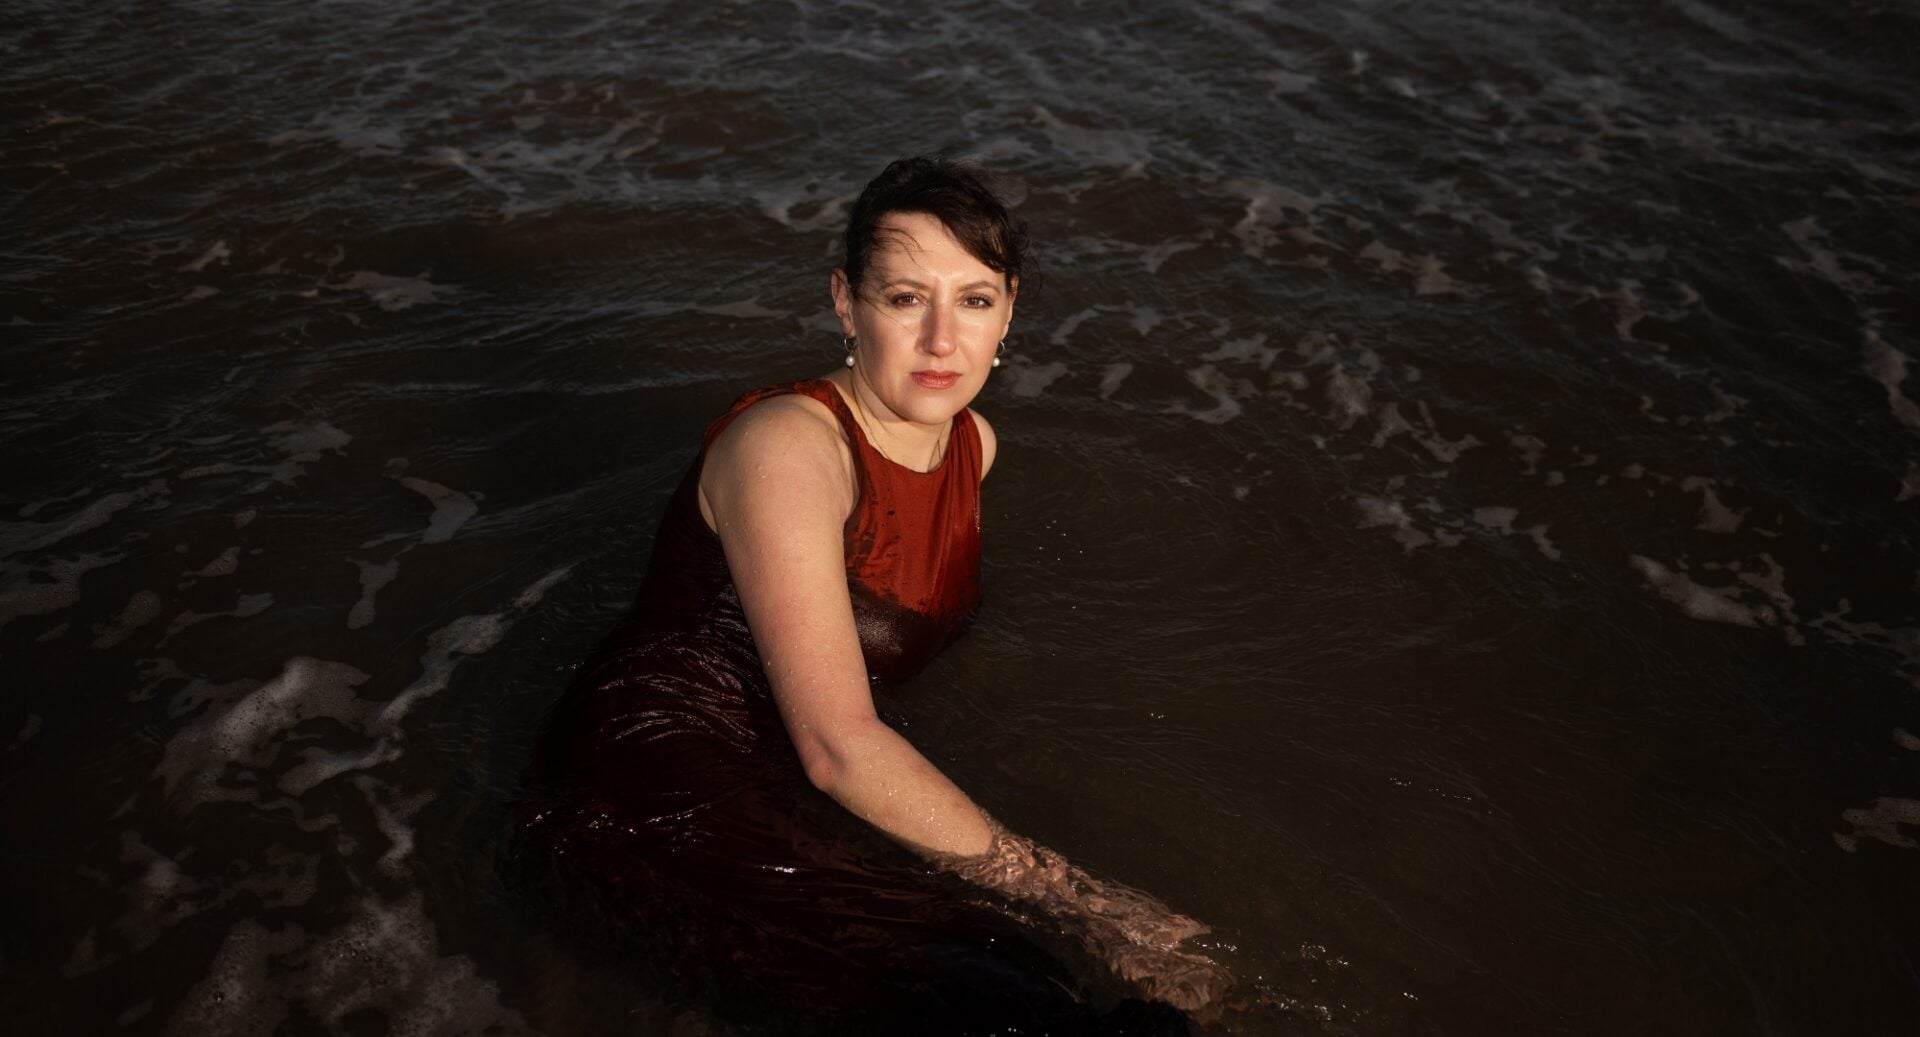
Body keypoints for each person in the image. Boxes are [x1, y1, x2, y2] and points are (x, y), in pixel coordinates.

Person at [519, 157, 1229, 1031]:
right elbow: (839, 745)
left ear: (1009, 311)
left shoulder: (975, 445)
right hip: (638, 790)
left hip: (774, 778)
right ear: (845, 304)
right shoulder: (789, 447)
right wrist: (1080, 896)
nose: (942, 340)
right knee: (1000, 998)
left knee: (1030, 979)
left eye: (973, 300)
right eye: (904, 298)